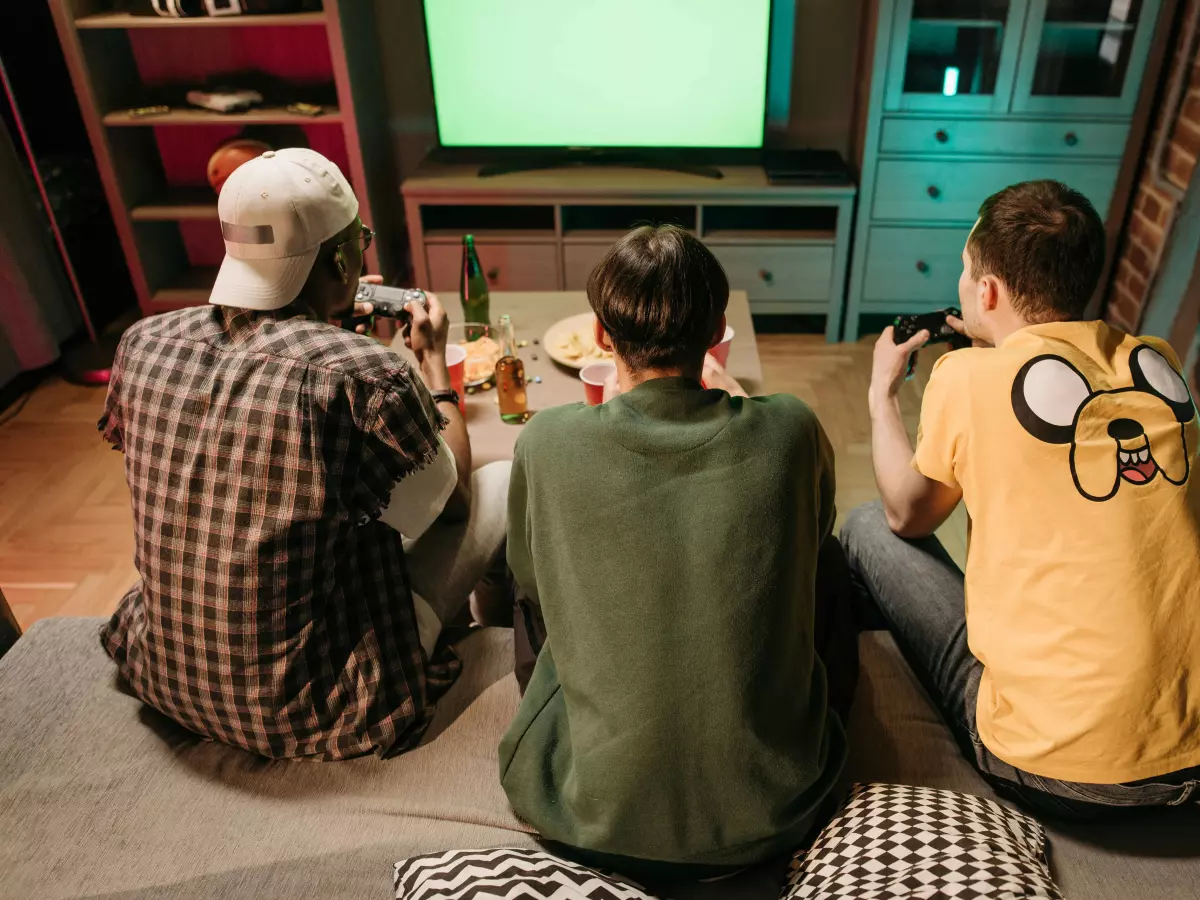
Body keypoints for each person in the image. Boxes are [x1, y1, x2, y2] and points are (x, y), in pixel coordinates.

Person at [99, 148, 509, 760]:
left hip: (165, 674)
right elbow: (450, 506)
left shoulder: (142, 342)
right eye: (359, 242)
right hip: (312, 704)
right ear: (344, 258)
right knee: (497, 479)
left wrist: (329, 331)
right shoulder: (364, 376)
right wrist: (430, 365)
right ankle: (494, 635)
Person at [499, 225, 853, 880]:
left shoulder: (545, 441)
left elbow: (529, 583)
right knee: (825, 556)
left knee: (535, 589)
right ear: (720, 331)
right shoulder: (793, 429)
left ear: (602, 338)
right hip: (777, 812)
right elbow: (817, 522)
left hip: (585, 815)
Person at [843, 179, 1200, 818]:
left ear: (987, 292)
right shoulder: (1160, 366)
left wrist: (880, 392)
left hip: (1054, 769)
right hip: (1191, 758)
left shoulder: (964, 378)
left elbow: (908, 511)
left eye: (964, 270)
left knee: (869, 526)